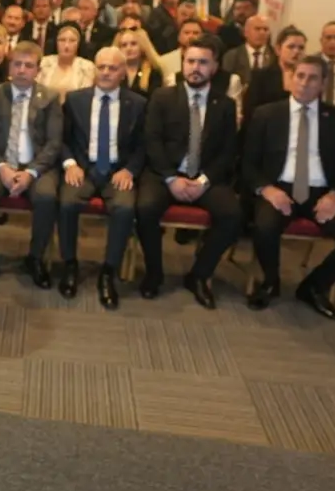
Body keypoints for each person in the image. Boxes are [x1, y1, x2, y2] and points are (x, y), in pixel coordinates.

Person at [244, 56, 335, 320]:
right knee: (264, 227)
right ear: (291, 78)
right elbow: (247, 162)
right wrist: (267, 190)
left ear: (323, 83)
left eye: (313, 78)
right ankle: (270, 281)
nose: (304, 83)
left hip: (321, 192)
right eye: (300, 76)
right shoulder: (266, 114)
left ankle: (314, 287)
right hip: (279, 188)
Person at [135, 34, 242, 308]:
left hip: (205, 177)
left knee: (232, 215)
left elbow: (228, 151)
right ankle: (154, 273)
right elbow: (152, 141)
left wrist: (204, 180)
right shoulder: (162, 97)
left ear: (214, 67)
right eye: (190, 61)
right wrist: (172, 178)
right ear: (183, 64)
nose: (195, 67)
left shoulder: (225, 105)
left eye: (203, 62)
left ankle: (199, 275)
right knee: (145, 208)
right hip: (165, 174)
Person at [56, 47, 148, 309]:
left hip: (118, 172)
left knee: (124, 208)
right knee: (66, 203)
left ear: (123, 72)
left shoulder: (138, 104)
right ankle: (70, 265)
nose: (106, 72)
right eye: (101, 67)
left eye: (113, 68)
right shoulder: (75, 100)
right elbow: (61, 139)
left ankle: (108, 272)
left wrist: (130, 170)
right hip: (83, 169)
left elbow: (144, 145)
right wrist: (70, 164)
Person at [0, 41, 62, 291]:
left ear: (38, 70)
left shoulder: (50, 97)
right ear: (9, 67)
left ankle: (35, 258)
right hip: (0, 164)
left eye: (28, 66)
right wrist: (3, 168)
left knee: (46, 197)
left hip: (37, 167)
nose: (21, 70)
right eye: (17, 64)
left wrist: (30, 172)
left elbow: (54, 143)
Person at [243, 25, 305, 121]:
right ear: (278, 49)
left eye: (301, 48)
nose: (296, 52)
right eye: (291, 47)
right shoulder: (261, 76)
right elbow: (250, 111)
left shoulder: (307, 78)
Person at [38, 22, 96, 101]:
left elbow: (85, 96)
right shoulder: (44, 63)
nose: (66, 45)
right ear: (56, 42)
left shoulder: (87, 67)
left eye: (72, 41)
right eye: (62, 40)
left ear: (79, 44)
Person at [114, 26, 163, 98]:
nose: (129, 48)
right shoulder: (113, 72)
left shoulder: (153, 72)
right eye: (124, 45)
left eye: (133, 44)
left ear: (142, 46)